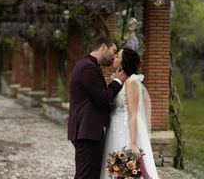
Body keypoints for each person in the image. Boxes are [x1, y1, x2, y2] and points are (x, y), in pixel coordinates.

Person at [68, 36, 128, 179]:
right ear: (103, 47)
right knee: (86, 175)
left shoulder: (89, 64)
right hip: (87, 131)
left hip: (88, 130)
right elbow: (103, 98)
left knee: (89, 175)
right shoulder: (88, 67)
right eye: (114, 51)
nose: (114, 57)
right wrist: (118, 81)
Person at [100, 48, 159, 179]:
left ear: (123, 62)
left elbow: (133, 115)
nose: (114, 58)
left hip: (126, 130)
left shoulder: (132, 82)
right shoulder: (119, 82)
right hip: (113, 130)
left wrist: (133, 143)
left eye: (117, 56)